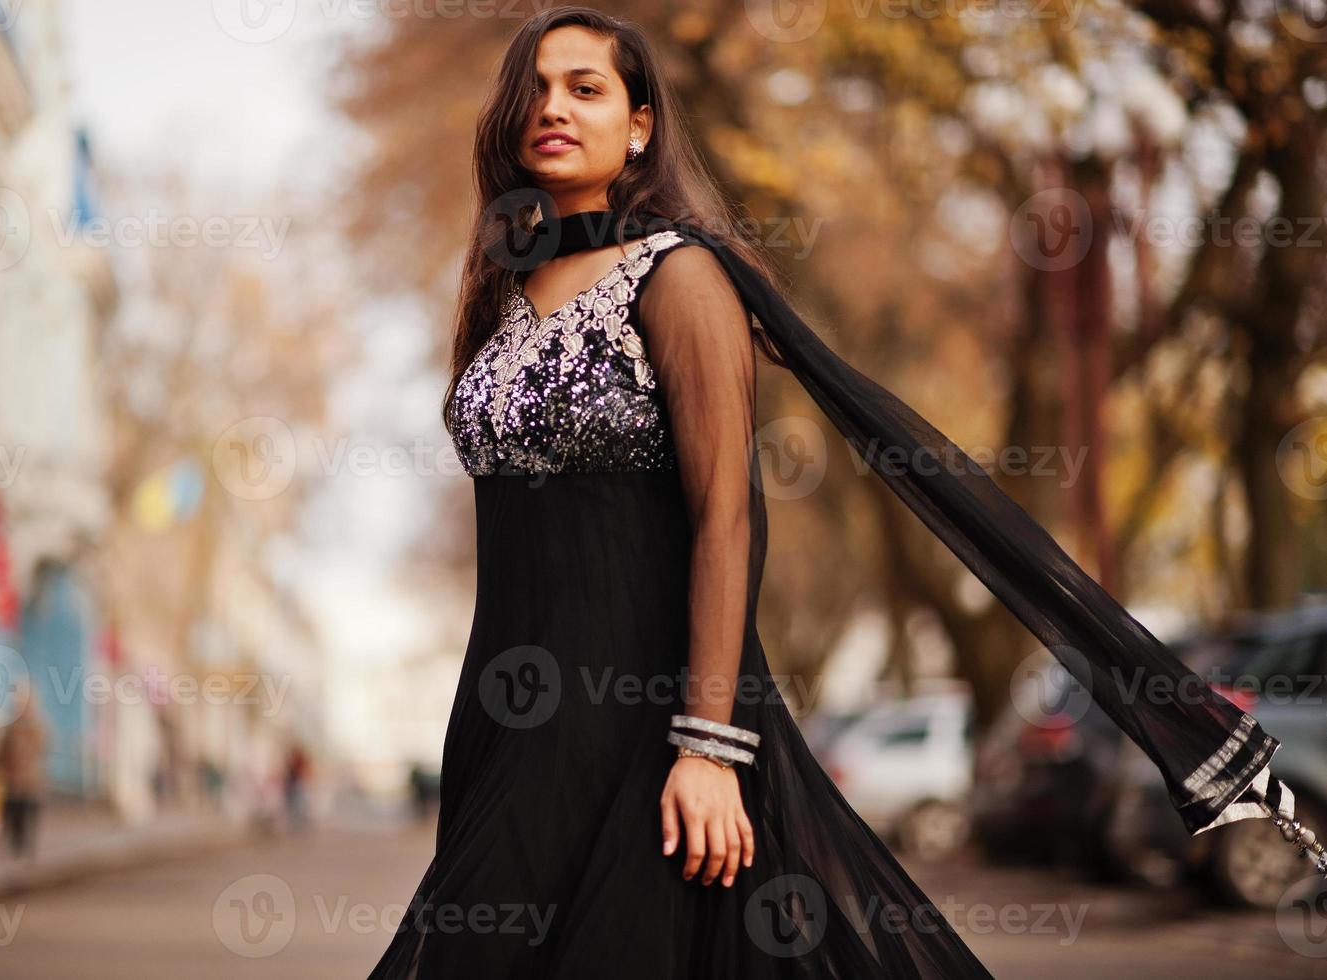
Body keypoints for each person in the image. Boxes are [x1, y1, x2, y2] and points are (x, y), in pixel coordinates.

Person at [370, 9, 1319, 977]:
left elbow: (724, 515)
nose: (552, 106)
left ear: (641, 126)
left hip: (638, 729)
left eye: (585, 87)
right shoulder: (502, 297)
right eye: (534, 86)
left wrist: (708, 746)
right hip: (502, 725)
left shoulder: (679, 278)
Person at [0, 680, 48, 858]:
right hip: (13, 777)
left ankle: (25, 846)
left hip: (29, 778)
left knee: (28, 811)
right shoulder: (11, 726)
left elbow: (42, 746)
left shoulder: (37, 725)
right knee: (14, 812)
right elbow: (2, 749)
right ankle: (16, 845)